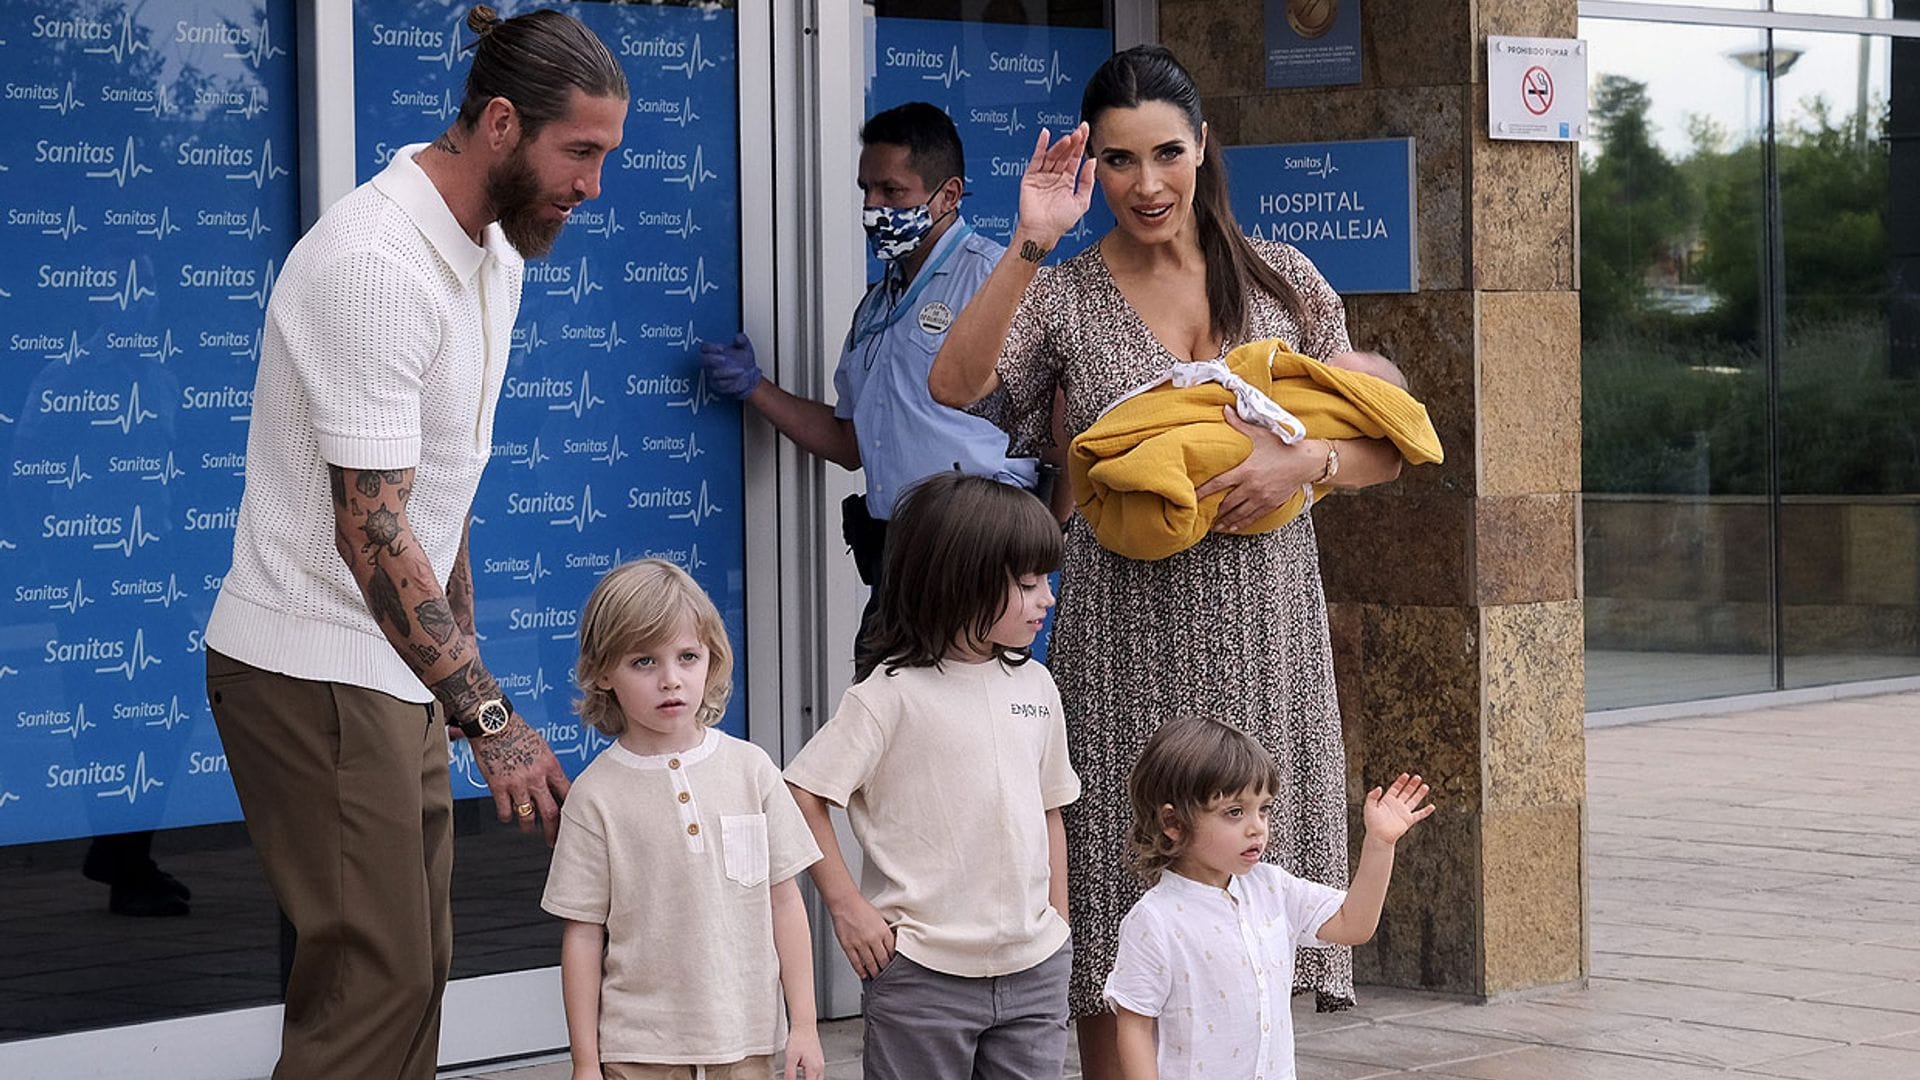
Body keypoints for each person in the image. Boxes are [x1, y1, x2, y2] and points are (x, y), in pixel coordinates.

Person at [926, 45, 1409, 1077]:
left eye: (1165, 154)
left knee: (1254, 884)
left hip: (1268, 623)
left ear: (1204, 149)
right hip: (1124, 633)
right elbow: (956, 387)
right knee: (1120, 906)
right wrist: (1027, 242)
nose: (1146, 184)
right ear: (1089, 167)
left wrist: (1304, 463)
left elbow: (1385, 439)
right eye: (1117, 161)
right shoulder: (1062, 294)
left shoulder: (1287, 281)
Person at [201, 8, 627, 1077]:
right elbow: (373, 526)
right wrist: (487, 715)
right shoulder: (376, 265)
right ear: (498, 123)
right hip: (314, 667)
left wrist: (453, 679)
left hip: (386, 669)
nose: (592, 185)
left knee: (414, 965)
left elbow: (439, 495)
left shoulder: (493, 258)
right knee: (375, 977)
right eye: (579, 152)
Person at [698, 103, 1050, 653]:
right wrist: (755, 388)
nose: (873, 207)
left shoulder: (995, 280)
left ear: (949, 196)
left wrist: (1042, 551)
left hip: (980, 552)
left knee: (968, 728)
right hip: (897, 557)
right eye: (866, 190)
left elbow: (1068, 420)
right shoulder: (876, 303)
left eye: (892, 191)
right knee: (882, 718)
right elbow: (849, 443)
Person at [783, 473, 1078, 1080]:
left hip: (1034, 971)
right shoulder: (888, 695)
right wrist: (847, 909)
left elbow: (1050, 809)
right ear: (958, 580)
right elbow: (800, 794)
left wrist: (1058, 925)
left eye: (1046, 579)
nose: (1047, 597)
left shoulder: (1037, 685)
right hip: (921, 975)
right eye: (1027, 584)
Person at [543, 560, 825, 1080]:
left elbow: (784, 901)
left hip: (747, 1036)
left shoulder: (751, 769)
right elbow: (582, 934)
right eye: (644, 661)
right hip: (639, 1046)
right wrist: (584, 1061)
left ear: (711, 660)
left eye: (688, 657)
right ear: (604, 672)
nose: (671, 680)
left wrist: (803, 1024)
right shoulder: (595, 796)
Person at [1103, 717, 1433, 1080]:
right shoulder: (1154, 920)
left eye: (1264, 809)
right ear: (1174, 823)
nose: (1257, 826)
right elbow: (1134, 1027)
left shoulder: (1273, 888)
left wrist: (1380, 845)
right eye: (1234, 812)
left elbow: (1354, 924)